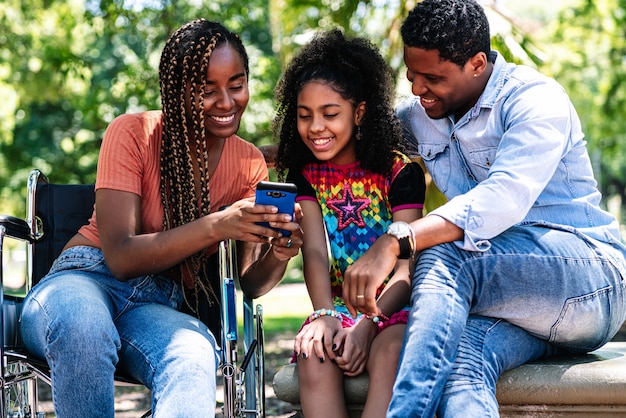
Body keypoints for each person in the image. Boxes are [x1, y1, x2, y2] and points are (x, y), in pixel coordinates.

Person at [342, 0, 626, 417]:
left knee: (442, 249)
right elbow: (348, 138)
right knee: (459, 364)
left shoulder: (534, 99)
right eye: (411, 73)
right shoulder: (423, 114)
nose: (418, 88)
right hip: (514, 309)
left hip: (587, 284)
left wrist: (398, 238)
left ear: (477, 63)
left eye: (432, 77)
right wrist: (266, 157)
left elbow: (503, 198)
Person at [19, 19, 303, 418]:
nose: (226, 102)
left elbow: (250, 283)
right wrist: (218, 224)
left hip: (156, 303)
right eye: (207, 90)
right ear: (177, 91)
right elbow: (120, 257)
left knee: (193, 354)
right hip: (83, 280)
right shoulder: (133, 133)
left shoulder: (248, 163)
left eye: (236, 85)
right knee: (85, 328)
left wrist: (279, 253)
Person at [273, 29, 426, 418]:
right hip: (339, 305)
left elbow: (407, 266)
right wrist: (324, 315)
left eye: (330, 114)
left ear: (358, 112)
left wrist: (369, 324)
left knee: (391, 350)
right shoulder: (306, 174)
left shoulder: (398, 172)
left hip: (394, 304)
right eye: (304, 116)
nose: (316, 127)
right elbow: (314, 253)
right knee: (313, 350)